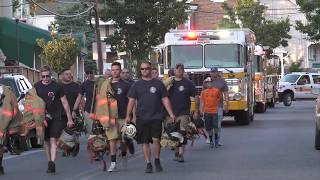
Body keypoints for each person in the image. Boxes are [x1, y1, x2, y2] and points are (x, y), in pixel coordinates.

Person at [125, 61, 176, 173]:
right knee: (145, 142)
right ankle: (148, 163)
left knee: (156, 140)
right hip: (141, 117)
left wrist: (171, 114)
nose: (145, 71)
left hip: (156, 116)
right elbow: (131, 101)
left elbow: (165, 99)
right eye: (142, 69)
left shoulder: (158, 84)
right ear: (140, 71)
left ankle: (157, 159)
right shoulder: (136, 85)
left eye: (147, 68)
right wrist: (128, 116)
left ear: (150, 69)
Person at [34, 65, 74, 174]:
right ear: (40, 76)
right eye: (43, 76)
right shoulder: (36, 87)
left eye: (47, 76)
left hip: (57, 117)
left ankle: (52, 162)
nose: (46, 79)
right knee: (46, 141)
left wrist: (70, 119)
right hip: (43, 118)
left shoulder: (57, 87)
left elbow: (65, 102)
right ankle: (49, 162)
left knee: (53, 139)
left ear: (51, 75)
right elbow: (32, 102)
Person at [96, 62, 132, 172]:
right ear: (111, 71)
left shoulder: (127, 85)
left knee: (123, 140)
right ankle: (113, 162)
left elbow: (132, 101)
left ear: (120, 71)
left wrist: (130, 116)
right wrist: (100, 116)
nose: (115, 71)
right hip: (110, 116)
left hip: (123, 116)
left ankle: (124, 155)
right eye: (113, 70)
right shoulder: (106, 85)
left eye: (117, 69)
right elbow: (100, 102)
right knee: (112, 139)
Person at [166, 64, 196, 163]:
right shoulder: (169, 82)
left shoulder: (188, 83)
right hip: (171, 113)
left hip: (183, 112)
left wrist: (196, 110)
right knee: (173, 133)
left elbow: (195, 97)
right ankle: (176, 151)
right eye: (177, 69)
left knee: (182, 132)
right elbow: (162, 95)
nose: (179, 71)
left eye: (181, 69)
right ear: (174, 70)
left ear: (183, 71)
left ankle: (181, 154)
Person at [59, 68, 81, 156]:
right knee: (64, 133)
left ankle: (76, 145)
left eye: (70, 74)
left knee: (73, 132)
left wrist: (75, 110)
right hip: (61, 113)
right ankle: (66, 149)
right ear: (62, 76)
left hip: (73, 112)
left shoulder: (76, 86)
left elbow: (80, 99)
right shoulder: (59, 86)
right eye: (66, 74)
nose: (69, 76)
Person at [0, 85, 20, 175]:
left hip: (3, 123)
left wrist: (13, 124)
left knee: (0, 145)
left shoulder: (7, 92)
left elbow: (15, 107)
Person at [207, 67, 229, 147]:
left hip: (219, 106)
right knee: (209, 124)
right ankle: (210, 138)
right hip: (208, 107)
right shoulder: (206, 82)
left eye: (214, 72)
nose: (213, 73)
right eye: (212, 72)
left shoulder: (222, 82)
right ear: (210, 73)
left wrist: (227, 104)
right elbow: (202, 94)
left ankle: (217, 140)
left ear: (217, 73)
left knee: (218, 124)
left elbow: (226, 93)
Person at [73, 70, 96, 135]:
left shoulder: (99, 83)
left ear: (94, 73)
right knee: (91, 133)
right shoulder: (84, 84)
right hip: (89, 111)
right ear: (85, 75)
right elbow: (79, 97)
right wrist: (74, 110)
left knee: (101, 133)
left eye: (91, 72)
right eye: (87, 73)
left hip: (100, 111)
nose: (89, 75)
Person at [199, 82, 221, 148]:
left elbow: (219, 98)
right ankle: (211, 140)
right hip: (206, 111)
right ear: (205, 84)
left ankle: (216, 139)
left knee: (215, 126)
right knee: (208, 127)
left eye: (210, 83)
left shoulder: (216, 90)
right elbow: (202, 102)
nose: (209, 84)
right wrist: (201, 111)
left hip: (214, 111)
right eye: (207, 83)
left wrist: (218, 107)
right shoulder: (203, 92)